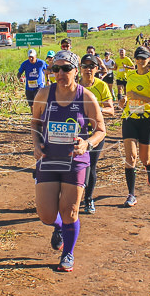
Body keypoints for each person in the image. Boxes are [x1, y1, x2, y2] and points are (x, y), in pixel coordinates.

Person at [31, 50, 106, 272]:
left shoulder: (86, 97)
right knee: (45, 215)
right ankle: (60, 227)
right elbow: (35, 124)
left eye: (65, 69)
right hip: (48, 158)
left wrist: (87, 144)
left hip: (75, 161)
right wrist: (36, 144)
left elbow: (101, 129)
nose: (60, 73)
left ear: (76, 70)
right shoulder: (44, 94)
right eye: (56, 69)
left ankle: (67, 254)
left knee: (70, 211)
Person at [120, 46, 150, 207]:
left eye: (143, 58)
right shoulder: (130, 74)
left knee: (145, 158)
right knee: (131, 157)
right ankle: (131, 194)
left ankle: (149, 168)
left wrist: (139, 97)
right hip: (129, 117)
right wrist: (123, 100)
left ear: (149, 59)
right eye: (138, 58)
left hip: (148, 119)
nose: (140, 61)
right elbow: (128, 94)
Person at [78, 53, 114, 214]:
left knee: (90, 166)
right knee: (74, 167)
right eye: (84, 66)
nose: (88, 69)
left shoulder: (101, 85)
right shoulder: (73, 85)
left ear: (97, 69)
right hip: (76, 132)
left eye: (91, 66)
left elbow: (111, 110)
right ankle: (72, 198)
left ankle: (89, 199)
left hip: (95, 132)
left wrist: (97, 109)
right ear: (80, 69)